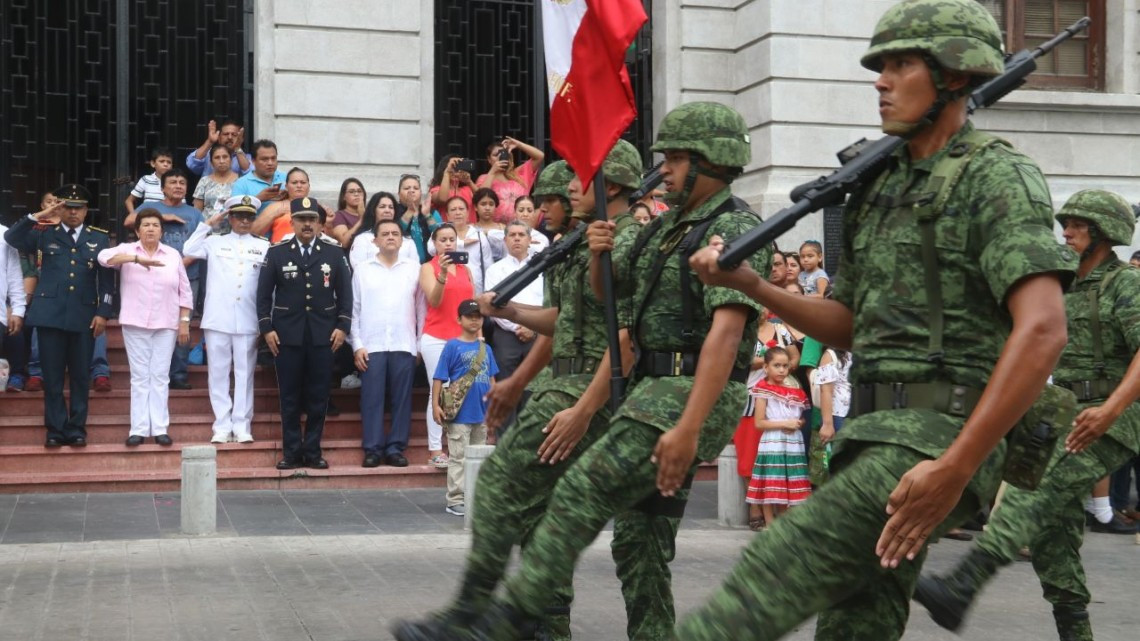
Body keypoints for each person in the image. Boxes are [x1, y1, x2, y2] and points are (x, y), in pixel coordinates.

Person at [677, 2, 1076, 638]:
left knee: (764, 584)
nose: (880, 80)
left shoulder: (996, 175)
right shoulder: (878, 184)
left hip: (937, 439)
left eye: (901, 64)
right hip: (872, 435)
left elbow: (1044, 330)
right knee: (855, 627)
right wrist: (752, 284)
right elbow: (847, 324)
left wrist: (956, 468)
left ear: (953, 76)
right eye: (879, 65)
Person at [392, 141, 651, 641]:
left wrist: (582, 407)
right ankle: (541, 627)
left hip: (592, 390)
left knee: (507, 487)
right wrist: (514, 356)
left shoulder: (625, 239)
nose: (554, 202)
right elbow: (564, 323)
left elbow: (626, 335)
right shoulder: (574, 245)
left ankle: (475, 616)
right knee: (538, 516)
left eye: (562, 192)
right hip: (565, 381)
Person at [914, 189, 1140, 641]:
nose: (1067, 230)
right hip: (1062, 411)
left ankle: (963, 585)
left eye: (1079, 225)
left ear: (1104, 233)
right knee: (1052, 538)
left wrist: (1111, 409)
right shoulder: (1063, 283)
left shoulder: (1124, 283)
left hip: (1115, 413)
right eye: (1068, 222)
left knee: (1026, 491)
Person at [5, 184, 114, 447]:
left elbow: (107, 282)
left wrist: (103, 313)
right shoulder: (44, 234)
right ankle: (54, 429)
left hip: (84, 315)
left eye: (78, 208)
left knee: (79, 376)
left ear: (86, 211)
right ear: (60, 208)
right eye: (67, 207)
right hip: (50, 316)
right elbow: (12, 238)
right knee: (52, 377)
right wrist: (38, 215)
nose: (73, 213)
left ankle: (76, 428)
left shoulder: (98, 238)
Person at [257, 198, 351, 470]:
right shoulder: (277, 252)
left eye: (312, 219)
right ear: (292, 221)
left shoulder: (334, 253)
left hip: (324, 336)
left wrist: (342, 326)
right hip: (287, 336)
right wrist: (267, 329)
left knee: (318, 396)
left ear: (320, 223)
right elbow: (263, 296)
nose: (307, 224)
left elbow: (346, 295)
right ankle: (291, 452)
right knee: (289, 396)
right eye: (301, 218)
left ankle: (312, 451)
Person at [97, 209, 192, 446]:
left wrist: (184, 323)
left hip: (166, 322)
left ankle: (160, 428)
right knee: (140, 377)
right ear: (137, 230)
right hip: (135, 322)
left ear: (162, 230)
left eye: (155, 225)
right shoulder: (126, 250)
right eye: (146, 225)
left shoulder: (172, 255)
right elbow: (102, 257)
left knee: (159, 376)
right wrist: (136, 259)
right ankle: (138, 428)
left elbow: (185, 292)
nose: (151, 228)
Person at [183, 195, 270, 444]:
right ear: (230, 218)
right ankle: (221, 424)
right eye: (239, 216)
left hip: (248, 318)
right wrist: (208, 223)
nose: (244, 221)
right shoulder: (214, 242)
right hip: (218, 317)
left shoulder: (264, 246)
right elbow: (188, 249)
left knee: (245, 374)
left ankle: (242, 424)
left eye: (249, 217)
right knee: (218, 373)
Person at [351, 218, 425, 467]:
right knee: (371, 398)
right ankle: (372, 448)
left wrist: (419, 343)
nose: (391, 237)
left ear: (402, 240)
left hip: (404, 342)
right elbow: (354, 310)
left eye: (395, 233)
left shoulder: (414, 268)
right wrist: (357, 345)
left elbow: (421, 309)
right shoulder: (362, 269)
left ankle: (395, 448)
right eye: (385, 233)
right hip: (372, 344)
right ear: (375, 240)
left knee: (402, 399)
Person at [128, 169, 205, 390]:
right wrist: (163, 218)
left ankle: (179, 374)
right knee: (156, 323)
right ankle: (154, 371)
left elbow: (202, 242)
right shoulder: (150, 209)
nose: (178, 186)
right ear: (162, 187)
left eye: (182, 182)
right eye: (173, 182)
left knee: (183, 324)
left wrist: (180, 264)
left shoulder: (194, 214)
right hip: (153, 278)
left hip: (189, 276)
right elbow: (128, 221)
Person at [433, 299, 499, 516]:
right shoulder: (452, 346)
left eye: (478, 316)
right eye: (469, 316)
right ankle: (455, 499)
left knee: (478, 456)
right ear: (459, 319)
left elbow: (491, 380)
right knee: (458, 457)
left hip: (481, 413)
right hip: (459, 413)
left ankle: (474, 496)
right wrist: (435, 405)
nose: (474, 320)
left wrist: (494, 407)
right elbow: (439, 377)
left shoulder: (486, 349)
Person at [735, 314, 799, 531]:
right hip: (750, 398)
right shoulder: (741, 331)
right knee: (748, 459)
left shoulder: (781, 330)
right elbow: (738, 362)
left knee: (777, 460)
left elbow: (794, 357)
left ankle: (777, 513)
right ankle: (755, 508)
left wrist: (781, 367)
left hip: (780, 398)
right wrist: (771, 362)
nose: (760, 309)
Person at [419, 224, 474, 469]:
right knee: (439, 390)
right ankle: (435, 448)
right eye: (443, 239)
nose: (448, 243)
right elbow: (434, 299)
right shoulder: (427, 268)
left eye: (452, 239)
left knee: (463, 391)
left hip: (463, 337)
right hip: (437, 336)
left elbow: (472, 307)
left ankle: (457, 445)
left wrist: (478, 334)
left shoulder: (466, 269)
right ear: (435, 243)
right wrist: (442, 274)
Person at [482, 221, 542, 432]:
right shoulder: (495, 269)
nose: (517, 238)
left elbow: (547, 302)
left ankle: (530, 439)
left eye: (521, 234)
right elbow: (492, 305)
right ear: (505, 240)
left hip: (538, 336)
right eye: (512, 235)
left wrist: (532, 328)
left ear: (529, 239)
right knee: (506, 387)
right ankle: (505, 442)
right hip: (506, 335)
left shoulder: (541, 268)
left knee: (534, 389)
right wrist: (518, 326)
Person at [746, 347, 811, 529]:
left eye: (785, 366)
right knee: (771, 483)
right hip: (773, 442)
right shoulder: (763, 390)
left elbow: (800, 416)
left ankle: (783, 524)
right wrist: (785, 424)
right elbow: (759, 423)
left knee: (786, 483)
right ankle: (770, 524)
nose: (782, 370)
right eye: (776, 365)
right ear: (766, 367)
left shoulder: (795, 390)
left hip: (792, 443)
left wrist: (798, 423)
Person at [428, 196, 498, 294]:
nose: (458, 213)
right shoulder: (441, 231)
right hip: (447, 288)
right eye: (453, 210)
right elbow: (431, 249)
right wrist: (461, 244)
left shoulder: (478, 235)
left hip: (476, 290)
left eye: (461, 209)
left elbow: (488, 265)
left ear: (468, 213)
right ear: (447, 215)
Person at [252, 167, 333, 244]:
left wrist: (329, 225)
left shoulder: (318, 207)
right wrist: (274, 214)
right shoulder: (277, 207)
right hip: (282, 253)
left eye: (303, 182)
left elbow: (328, 240)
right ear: (286, 186)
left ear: (309, 186)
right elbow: (253, 232)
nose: (299, 186)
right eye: (294, 183)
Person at [476, 137, 545, 223]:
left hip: (522, 227)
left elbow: (539, 156)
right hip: (496, 230)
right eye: (495, 155)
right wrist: (493, 172)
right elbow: (480, 198)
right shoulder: (485, 178)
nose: (499, 157)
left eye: (502, 153)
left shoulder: (518, 175)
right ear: (489, 160)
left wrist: (518, 144)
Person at [349, 191, 419, 268]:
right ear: (373, 210)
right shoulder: (362, 238)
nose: (387, 210)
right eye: (382, 207)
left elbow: (415, 268)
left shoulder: (407, 239)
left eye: (391, 207)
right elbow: (359, 269)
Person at [231, 139, 288, 214]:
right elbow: (235, 213)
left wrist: (288, 195)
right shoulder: (241, 184)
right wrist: (258, 199)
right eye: (265, 159)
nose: (270, 163)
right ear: (253, 161)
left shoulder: (286, 178)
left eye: (273, 158)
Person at [192, 144, 240, 230]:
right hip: (208, 231)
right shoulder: (204, 181)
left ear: (231, 160)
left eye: (225, 157)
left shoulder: (240, 181)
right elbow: (197, 212)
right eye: (217, 158)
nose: (221, 161)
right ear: (211, 162)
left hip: (233, 232)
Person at [186, 119, 250, 177]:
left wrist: (237, 148)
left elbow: (250, 175)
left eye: (234, 135)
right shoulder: (208, 154)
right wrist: (210, 141)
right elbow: (192, 164)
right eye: (226, 134)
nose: (230, 137)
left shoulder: (246, 158)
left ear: (240, 138)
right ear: (219, 138)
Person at [124, 147, 173, 221]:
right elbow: (129, 201)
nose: (166, 164)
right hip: (148, 221)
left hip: (169, 222)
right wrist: (134, 217)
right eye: (162, 161)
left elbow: (182, 204)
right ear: (153, 163)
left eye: (169, 162)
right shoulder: (146, 179)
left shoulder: (176, 182)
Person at [398, 174, 439, 263]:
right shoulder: (393, 210)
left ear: (420, 193)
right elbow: (396, 233)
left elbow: (441, 234)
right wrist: (410, 211)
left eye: (415, 188)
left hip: (429, 265)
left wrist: (427, 215)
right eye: (407, 188)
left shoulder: (431, 212)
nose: (411, 191)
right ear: (399, 194)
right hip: (403, 264)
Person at [329, 178, 367, 247]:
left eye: (359, 191)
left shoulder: (372, 215)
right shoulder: (339, 216)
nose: (356, 194)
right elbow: (343, 242)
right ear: (344, 196)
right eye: (351, 191)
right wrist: (362, 219)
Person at [471, 188, 506, 260]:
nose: (487, 208)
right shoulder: (470, 230)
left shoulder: (503, 229)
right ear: (475, 207)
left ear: (495, 207)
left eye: (491, 204)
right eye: (483, 204)